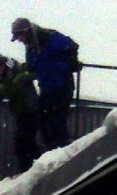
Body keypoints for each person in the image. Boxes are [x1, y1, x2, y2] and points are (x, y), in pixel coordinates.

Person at [10, 17, 80, 150]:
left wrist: (70, 63)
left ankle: (62, 152)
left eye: (19, 36)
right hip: (47, 88)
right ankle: (54, 152)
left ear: (26, 31)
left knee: (56, 123)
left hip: (62, 86)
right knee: (42, 121)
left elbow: (71, 45)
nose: (20, 40)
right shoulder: (31, 47)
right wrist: (21, 71)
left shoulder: (47, 37)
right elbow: (33, 67)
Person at [0, 54, 43, 173]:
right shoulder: (0, 81)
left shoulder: (18, 69)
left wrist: (26, 76)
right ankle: (33, 167)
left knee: (23, 141)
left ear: (3, 65)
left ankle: (30, 169)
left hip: (31, 111)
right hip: (20, 113)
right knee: (24, 142)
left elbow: (34, 72)